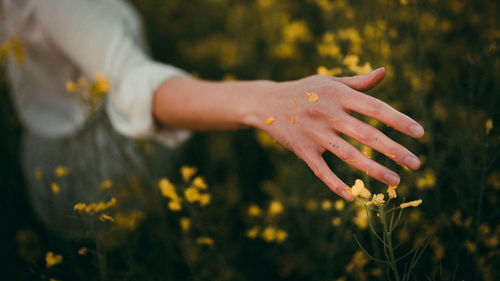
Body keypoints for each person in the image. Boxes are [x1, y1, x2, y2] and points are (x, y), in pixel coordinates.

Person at [2, 0, 423, 237]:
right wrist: (270, 101)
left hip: (49, 135)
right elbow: (134, 85)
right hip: (97, 161)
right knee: (140, 247)